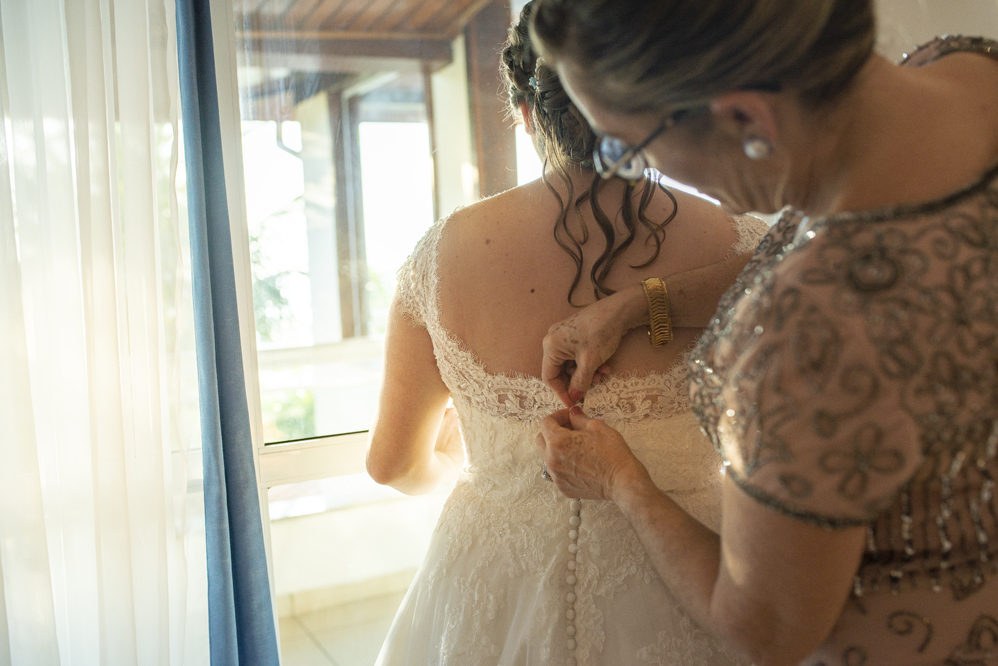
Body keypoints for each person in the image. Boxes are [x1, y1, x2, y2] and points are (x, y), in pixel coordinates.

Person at [531, 1, 998, 665]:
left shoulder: (808, 330)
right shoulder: (970, 68)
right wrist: (640, 303)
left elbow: (767, 627)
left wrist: (621, 482)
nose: (635, 170)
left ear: (748, 117)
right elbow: (876, 243)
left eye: (630, 149)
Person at [367, 3, 768, 663]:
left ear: (525, 113)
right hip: (690, 577)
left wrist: (478, 469)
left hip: (489, 591)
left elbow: (392, 466)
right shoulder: (743, 243)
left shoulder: (438, 257)